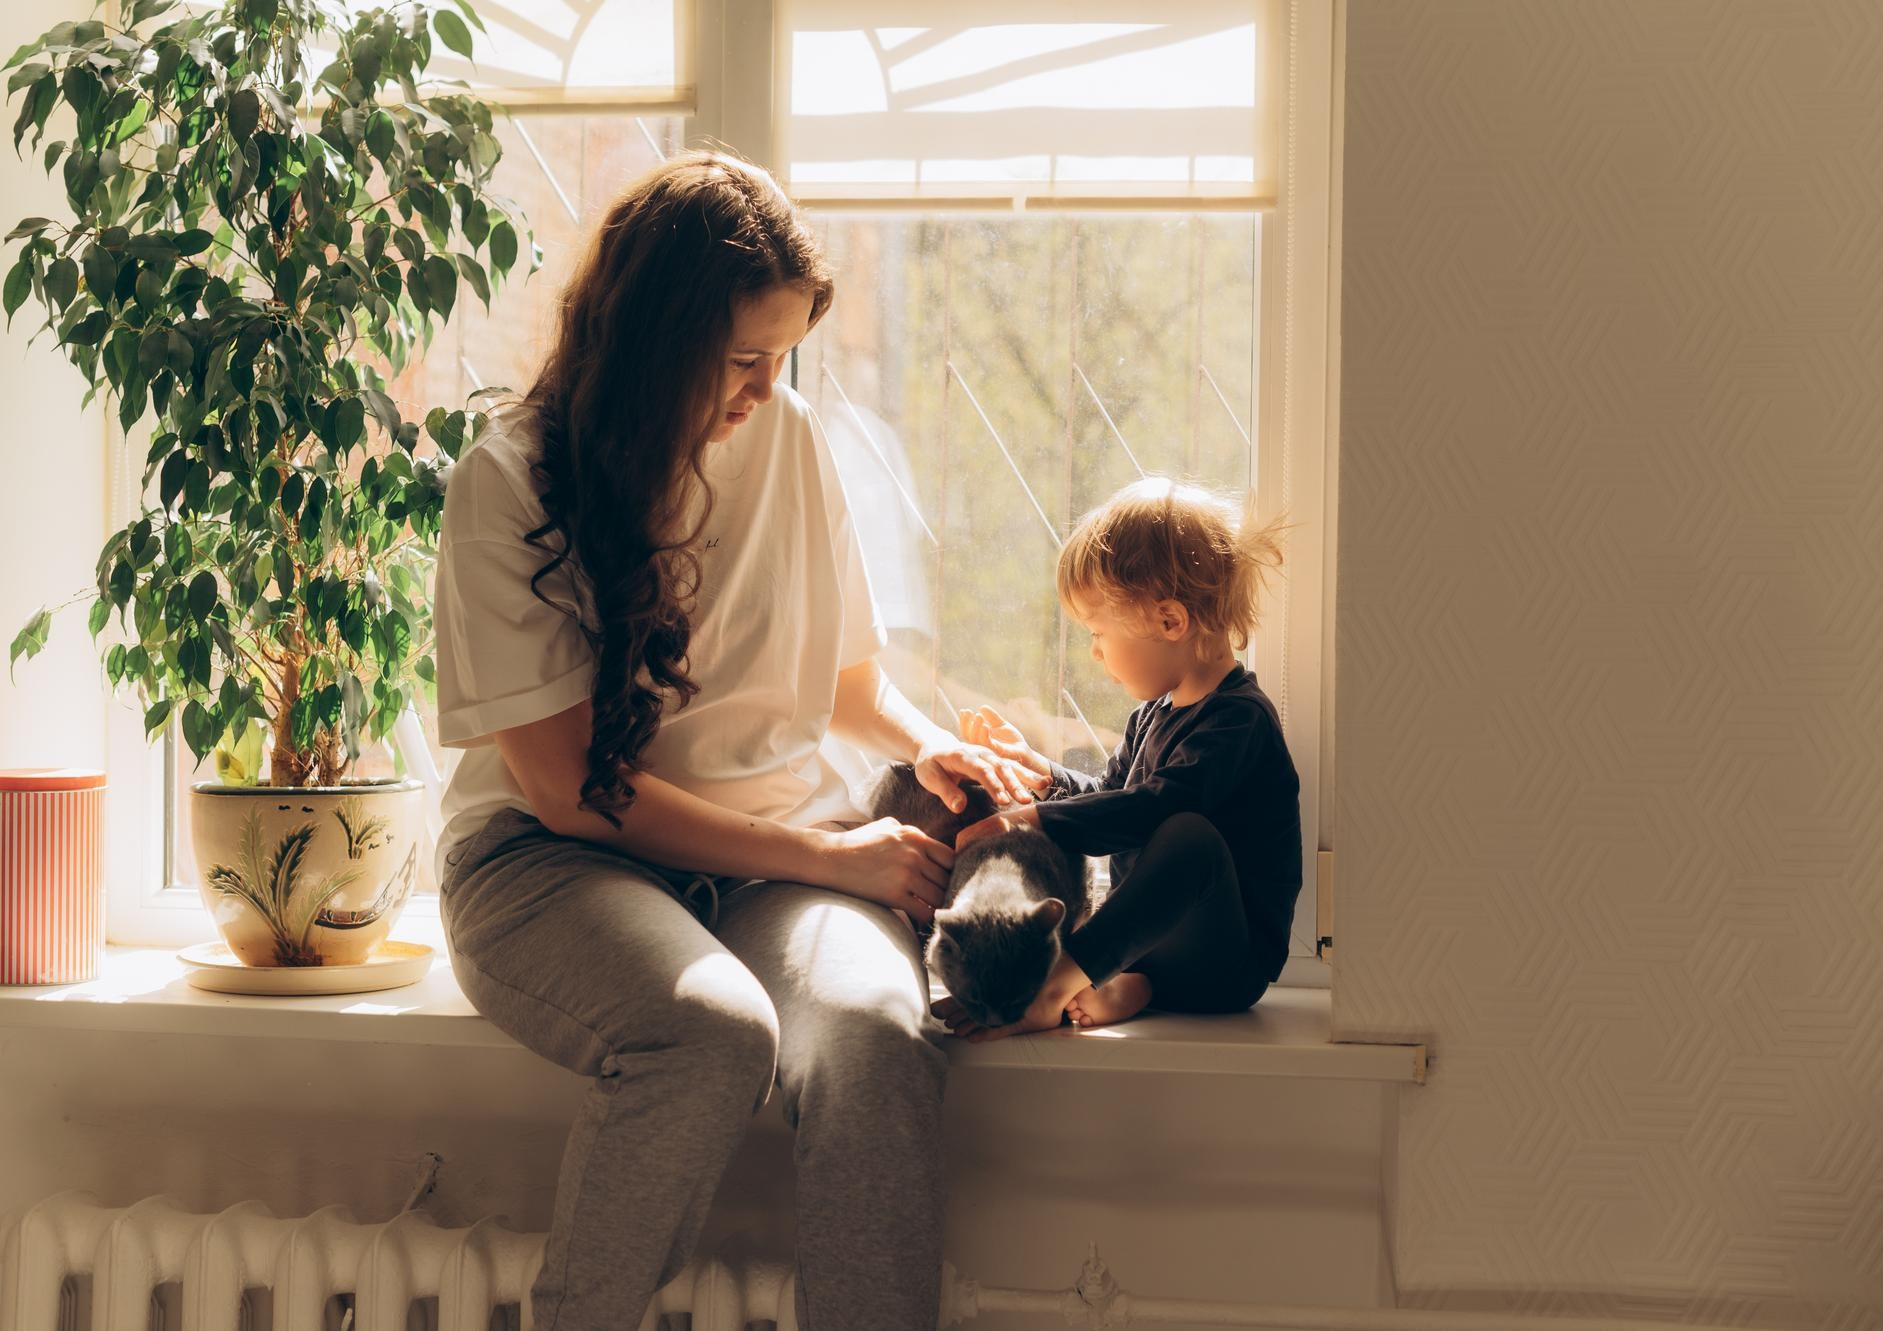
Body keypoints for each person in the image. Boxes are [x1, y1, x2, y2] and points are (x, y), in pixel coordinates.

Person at [430, 150, 1035, 1331]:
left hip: (767, 858)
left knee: (872, 1029)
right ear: (655, 339)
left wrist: (928, 744)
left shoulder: (789, 435)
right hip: (549, 865)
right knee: (707, 1030)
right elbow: (566, 791)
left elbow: (848, 675)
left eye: (783, 355)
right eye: (742, 359)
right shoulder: (506, 482)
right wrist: (838, 856)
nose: (765, 387)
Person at [936, 478, 1301, 1040]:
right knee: (1153, 837)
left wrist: (1031, 818)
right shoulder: (1152, 716)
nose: (1095, 650)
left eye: (1098, 631)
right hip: (1143, 949)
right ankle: (1130, 985)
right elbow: (1113, 800)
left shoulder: (1238, 721)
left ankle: (1061, 980)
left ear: (1170, 621)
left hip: (1227, 965)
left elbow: (1151, 812)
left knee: (1189, 839)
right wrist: (1045, 777)